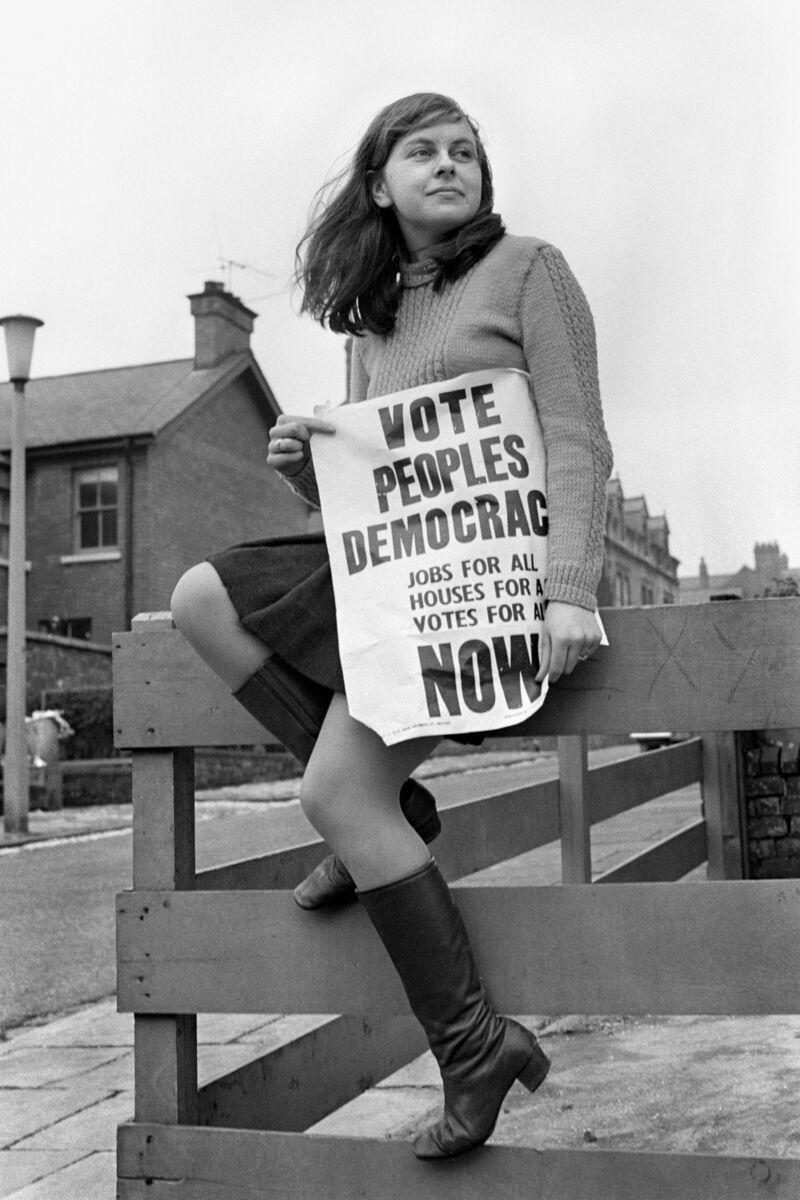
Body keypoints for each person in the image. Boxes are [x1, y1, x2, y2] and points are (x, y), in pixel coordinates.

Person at [171, 91, 613, 1159]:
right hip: (393, 575)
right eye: (423, 151)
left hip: (485, 580)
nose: (450, 164)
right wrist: (303, 466)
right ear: (381, 182)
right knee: (198, 598)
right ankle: (396, 808)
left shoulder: (532, 271)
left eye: (465, 151)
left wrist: (568, 586)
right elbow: (370, 493)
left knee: (332, 791)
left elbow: (576, 437)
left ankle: (473, 1046)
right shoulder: (373, 318)